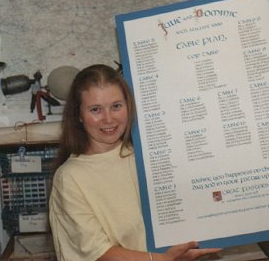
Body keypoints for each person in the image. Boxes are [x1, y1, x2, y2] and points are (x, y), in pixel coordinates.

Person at [49, 64, 221, 261]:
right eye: (95, 109)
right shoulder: (70, 178)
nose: (108, 118)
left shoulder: (149, 156)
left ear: (128, 106)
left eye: (116, 106)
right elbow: (97, 252)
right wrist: (163, 259)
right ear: (78, 115)